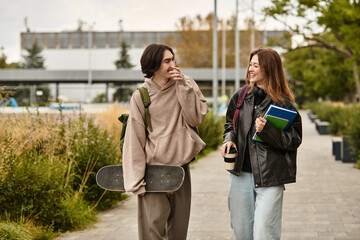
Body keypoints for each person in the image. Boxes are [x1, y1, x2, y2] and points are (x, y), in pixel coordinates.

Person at [122, 43, 208, 240]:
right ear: (154, 65)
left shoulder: (186, 83)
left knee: (178, 233)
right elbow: (134, 138)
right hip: (153, 170)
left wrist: (184, 88)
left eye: (173, 60)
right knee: (151, 231)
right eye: (167, 61)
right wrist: (136, 181)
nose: (173, 65)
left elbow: (196, 118)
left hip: (180, 169)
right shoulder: (141, 95)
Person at [221, 47, 302, 240]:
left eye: (256, 65)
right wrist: (229, 139)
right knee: (241, 231)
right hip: (240, 174)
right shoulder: (240, 96)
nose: (250, 68)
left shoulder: (283, 104)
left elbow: (294, 140)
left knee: (264, 232)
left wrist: (267, 131)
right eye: (250, 64)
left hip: (271, 177)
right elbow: (229, 125)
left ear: (269, 69)